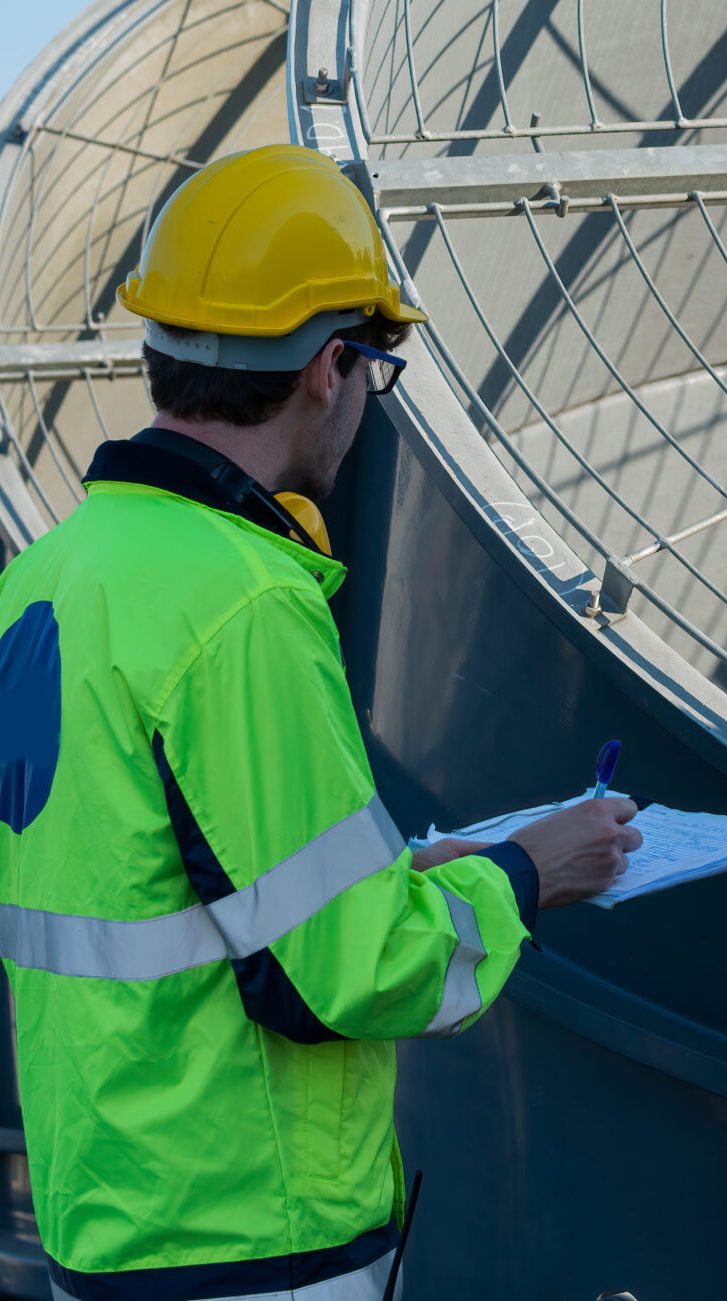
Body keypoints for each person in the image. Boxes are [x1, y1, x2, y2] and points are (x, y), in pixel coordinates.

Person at [0, 145, 640, 1301]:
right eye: (373, 369)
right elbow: (348, 973)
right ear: (329, 366)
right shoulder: (243, 600)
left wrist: (404, 870)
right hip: (256, 1236)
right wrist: (529, 872)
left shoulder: (50, 576)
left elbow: (154, 876)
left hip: (111, 1223)